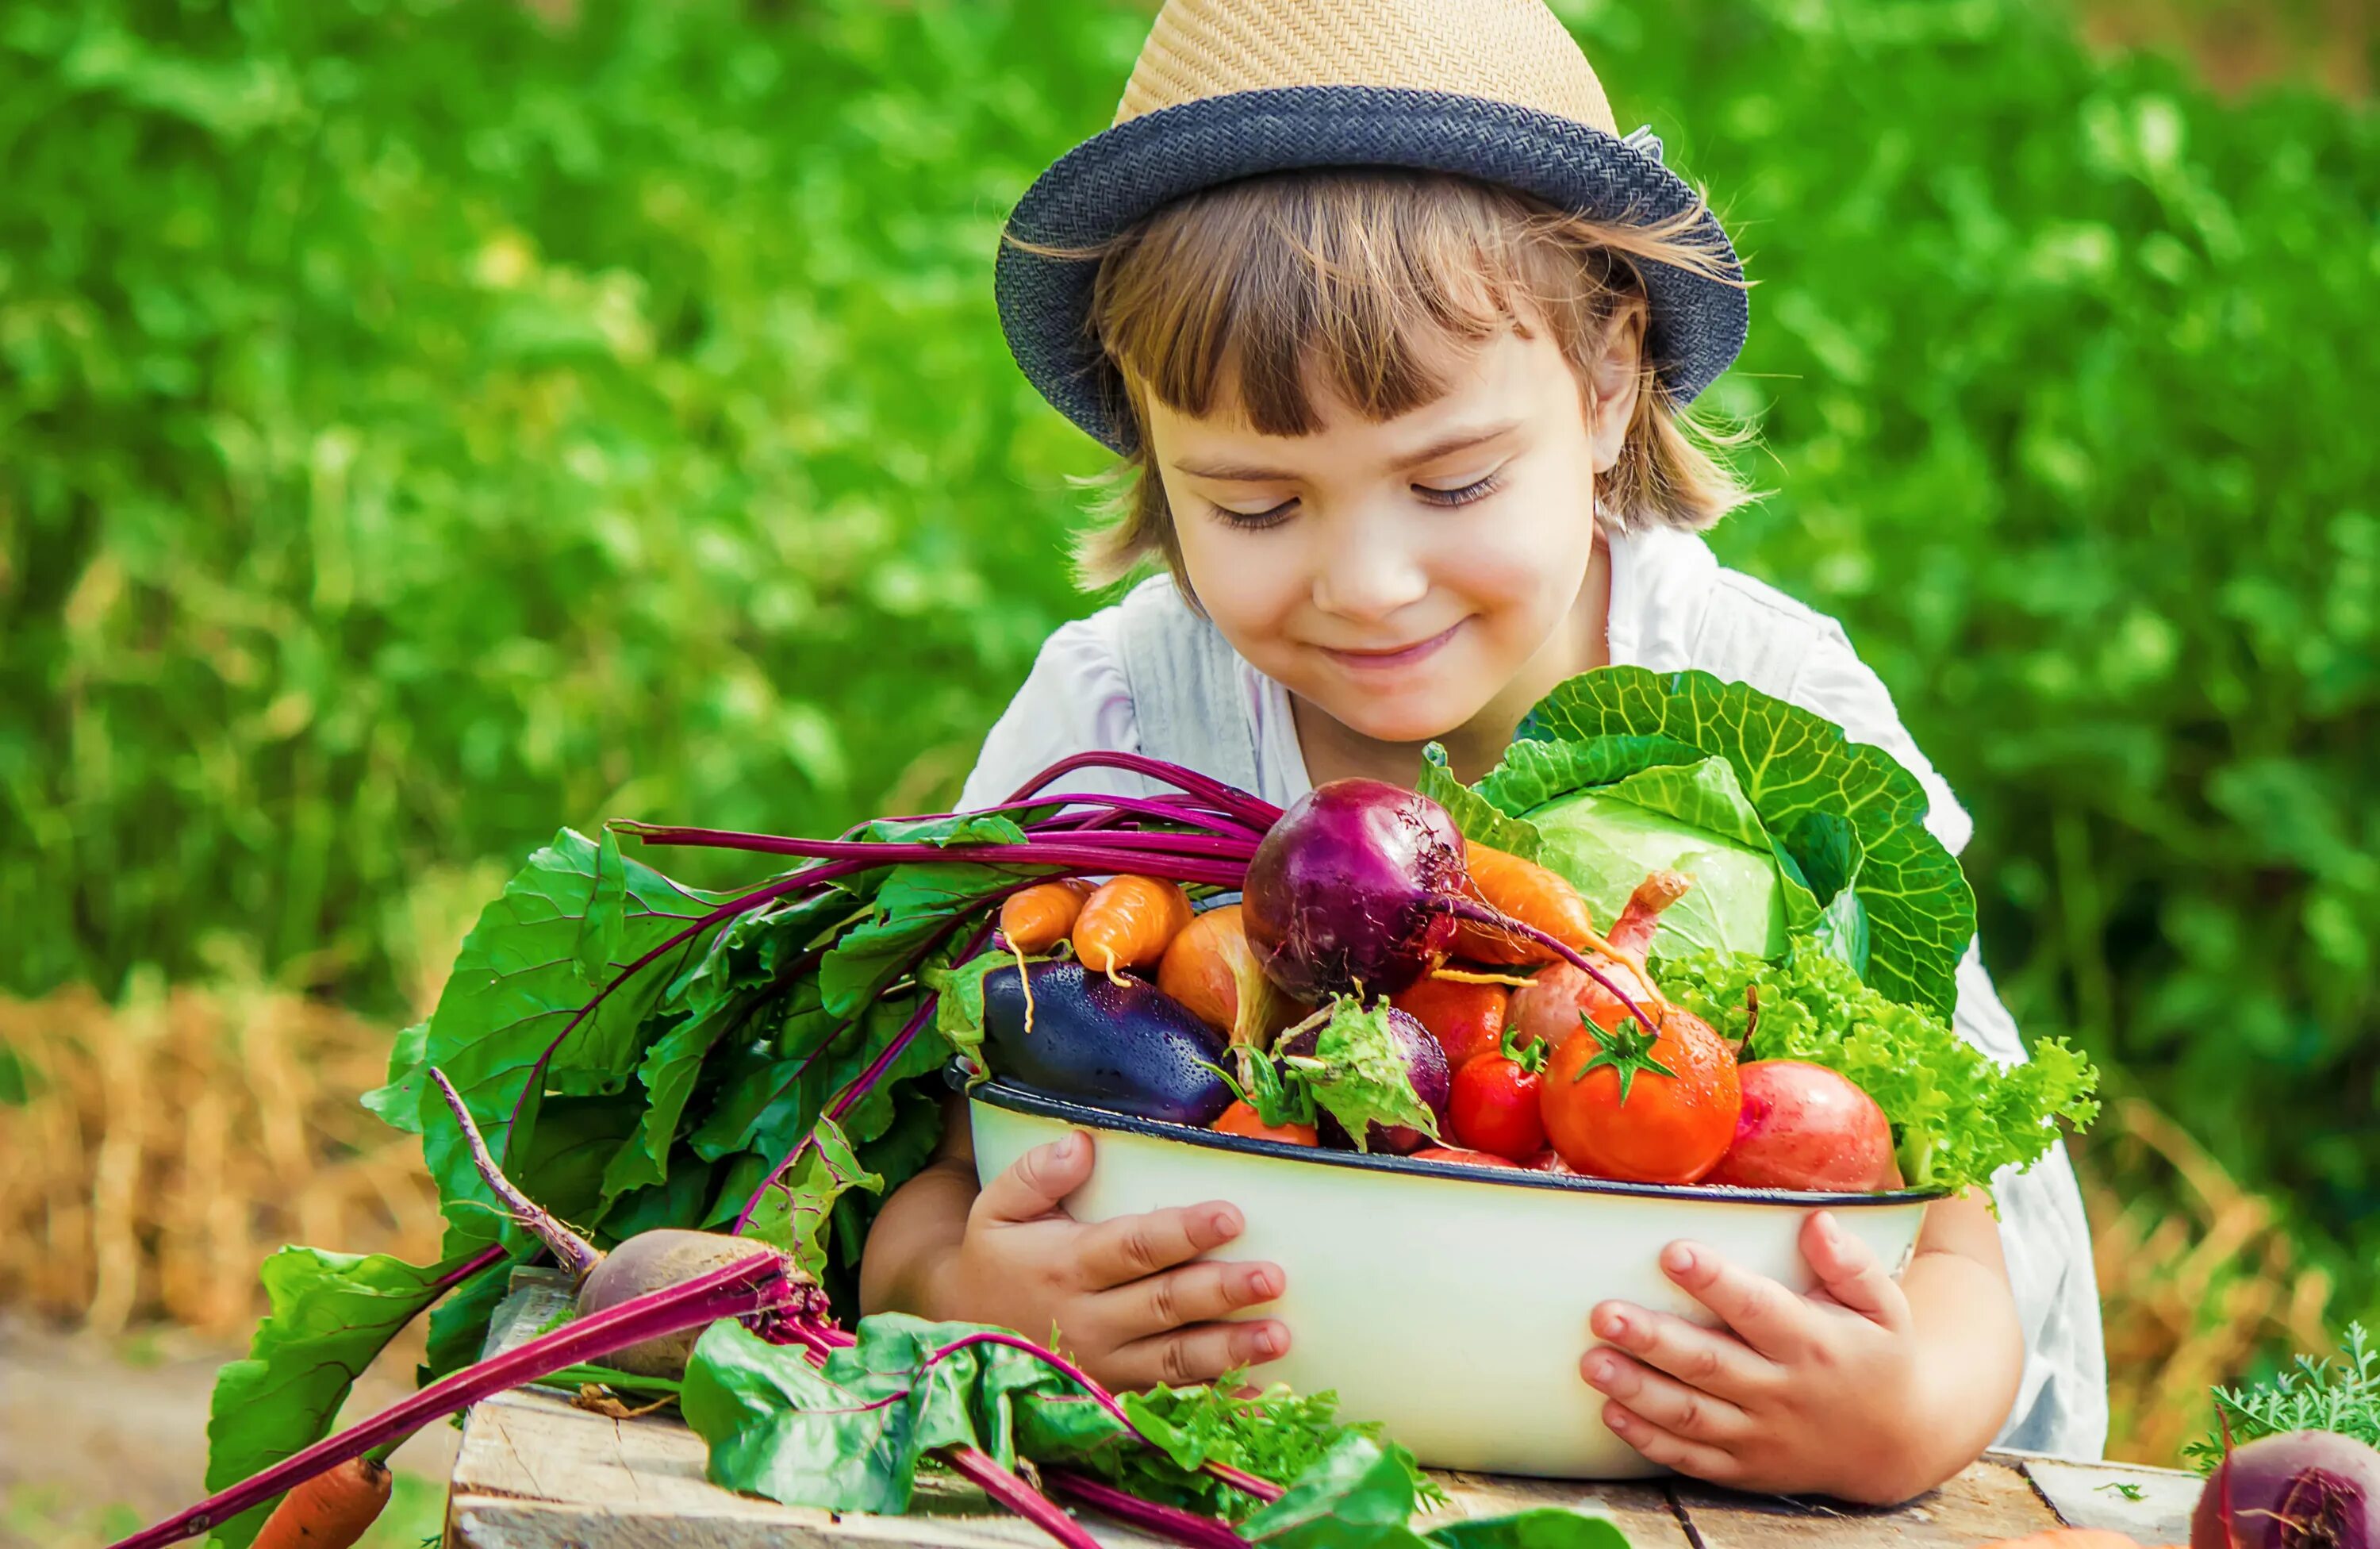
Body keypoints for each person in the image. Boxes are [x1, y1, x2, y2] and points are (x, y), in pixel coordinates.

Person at [857, 0, 2106, 1502]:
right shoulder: (1115, 722)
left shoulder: (1766, 697)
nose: (1369, 582)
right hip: (1235, 1491)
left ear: (1606, 381)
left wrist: (1904, 1415)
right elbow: (922, 1184)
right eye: (1256, 507)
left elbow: (1965, 1236)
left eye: (1450, 481)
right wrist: (967, 1299)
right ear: (1149, 451)